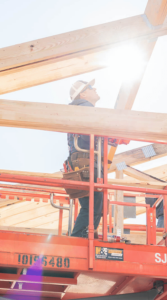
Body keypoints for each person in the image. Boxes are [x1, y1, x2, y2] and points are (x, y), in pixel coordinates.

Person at [67, 79, 103, 238]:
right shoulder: (86, 107)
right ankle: (80, 238)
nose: (94, 88)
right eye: (90, 87)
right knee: (94, 205)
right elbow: (90, 136)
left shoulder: (78, 109)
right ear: (83, 94)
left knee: (92, 205)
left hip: (77, 161)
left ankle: (83, 237)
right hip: (84, 160)